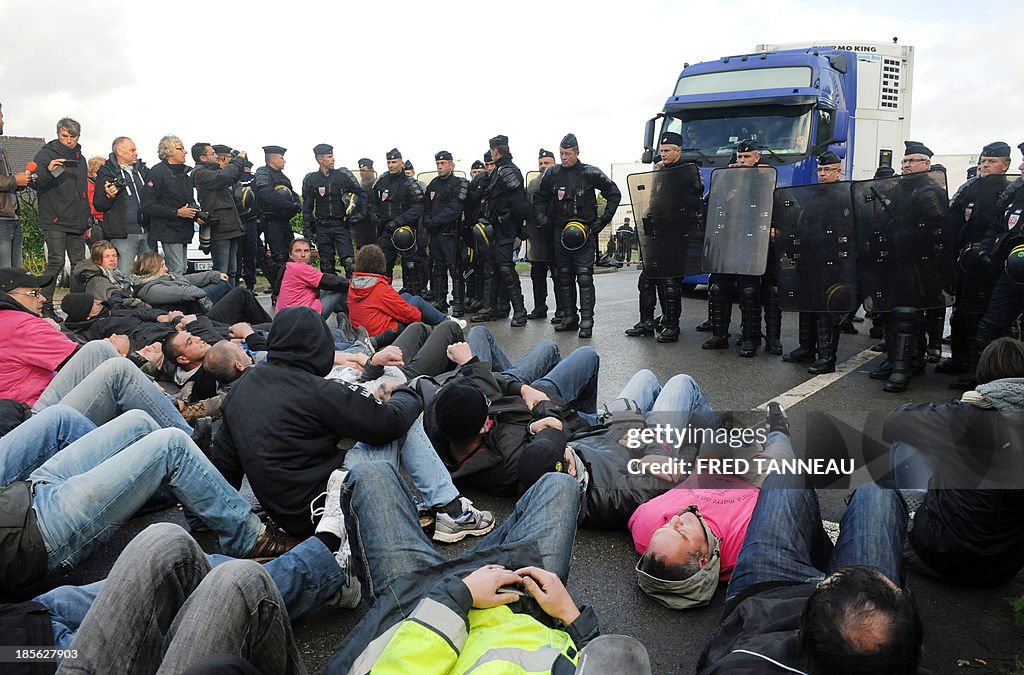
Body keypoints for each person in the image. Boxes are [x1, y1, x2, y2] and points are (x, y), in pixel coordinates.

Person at [212, 306, 492, 542]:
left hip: (289, 516)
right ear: (318, 345)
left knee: (363, 428)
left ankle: (442, 508)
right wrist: (406, 392)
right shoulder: (315, 390)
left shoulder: (240, 389)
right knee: (402, 421)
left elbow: (226, 470)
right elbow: (389, 424)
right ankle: (451, 510)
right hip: (330, 512)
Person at [325, 461, 600, 673]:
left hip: (422, 610)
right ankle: (459, 531)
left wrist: (459, 595)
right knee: (560, 484)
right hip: (522, 600)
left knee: (371, 473)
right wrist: (575, 622)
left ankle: (353, 579)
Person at [0, 410, 300, 598]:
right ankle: (251, 539)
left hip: (25, 493)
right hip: (31, 535)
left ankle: (201, 506)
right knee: (172, 446)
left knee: (138, 421)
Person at [24, 521, 350, 672]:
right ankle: (324, 560)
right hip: (30, 653)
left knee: (165, 544)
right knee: (237, 582)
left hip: (27, 620)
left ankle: (304, 566)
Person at [695, 471, 922, 673]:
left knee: (785, 479)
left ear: (802, 634)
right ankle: (835, 558)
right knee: (877, 492)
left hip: (763, 602)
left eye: (829, 584)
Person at [885, 337, 1024, 587]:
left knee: (908, 441)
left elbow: (894, 422)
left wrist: (953, 409)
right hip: (1002, 572)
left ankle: (911, 516)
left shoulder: (968, 415)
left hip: (937, 556)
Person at [424, 340, 599, 497]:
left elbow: (477, 385)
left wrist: (523, 389)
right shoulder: (509, 460)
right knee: (587, 355)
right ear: (483, 427)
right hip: (556, 411)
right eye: (486, 404)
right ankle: (592, 420)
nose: (488, 401)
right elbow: (555, 430)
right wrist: (538, 413)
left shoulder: (441, 416)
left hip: (528, 396)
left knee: (547, 346)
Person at [867, 140, 948, 393]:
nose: (907, 165)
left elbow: (939, 232)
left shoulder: (929, 191)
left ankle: (904, 367)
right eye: (904, 161)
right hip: (893, 261)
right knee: (890, 313)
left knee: (906, 314)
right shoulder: (898, 189)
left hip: (916, 264)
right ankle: (897, 359)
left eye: (913, 161)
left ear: (926, 164)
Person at [940, 142, 1014, 388]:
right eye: (983, 161)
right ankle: (959, 359)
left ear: (1006, 165)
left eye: (992, 162)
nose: (985, 165)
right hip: (964, 261)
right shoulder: (971, 189)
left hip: (987, 265)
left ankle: (976, 367)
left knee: (978, 317)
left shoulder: (1006, 193)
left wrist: (987, 255)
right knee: (960, 314)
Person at [534, 133, 621, 338]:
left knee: (584, 275)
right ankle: (569, 317)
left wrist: (602, 221)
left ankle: (587, 321)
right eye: (561, 153)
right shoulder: (552, 174)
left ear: (577, 152)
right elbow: (540, 198)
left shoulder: (590, 172)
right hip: (560, 232)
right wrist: (543, 219)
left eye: (568, 153)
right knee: (563, 275)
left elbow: (613, 193)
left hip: (585, 232)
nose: (564, 157)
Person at [702, 139, 774, 357]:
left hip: (750, 244)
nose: (742, 161)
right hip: (726, 243)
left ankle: (751, 338)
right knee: (718, 289)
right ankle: (719, 335)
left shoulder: (763, 180)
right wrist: (727, 181)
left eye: (747, 157)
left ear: (756, 158)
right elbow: (709, 203)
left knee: (749, 292)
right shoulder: (726, 180)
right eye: (740, 157)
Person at [781, 150, 847, 373]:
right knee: (807, 305)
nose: (823, 174)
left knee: (825, 309)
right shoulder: (812, 194)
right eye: (820, 169)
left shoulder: (843, 195)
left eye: (828, 170)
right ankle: (806, 348)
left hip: (830, 261)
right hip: (809, 259)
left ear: (839, 171)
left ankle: (827, 357)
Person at [625, 132, 691, 343]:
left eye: (667, 151)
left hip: (676, 235)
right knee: (646, 279)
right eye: (661, 151)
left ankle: (672, 326)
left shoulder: (687, 171)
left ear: (678, 151)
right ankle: (647, 322)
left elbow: (692, 198)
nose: (663, 154)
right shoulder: (659, 173)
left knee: (669, 282)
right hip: (657, 236)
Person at [33, 117, 91, 322]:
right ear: (58, 134)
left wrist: (87, 220)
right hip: (54, 218)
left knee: (80, 264)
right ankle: (45, 305)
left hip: (76, 219)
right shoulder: (46, 154)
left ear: (78, 137)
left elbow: (83, 192)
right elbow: (34, 182)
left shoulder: (80, 158)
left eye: (72, 137)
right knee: (56, 262)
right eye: (64, 136)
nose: (68, 140)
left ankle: (75, 306)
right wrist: (48, 172)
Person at [475, 134, 530, 327]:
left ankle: (520, 312)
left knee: (506, 269)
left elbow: (519, 202)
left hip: (505, 228)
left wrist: (514, 224)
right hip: (495, 228)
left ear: (495, 151)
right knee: (492, 268)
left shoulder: (508, 171)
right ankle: (493, 308)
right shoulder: (500, 170)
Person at [348, 243, 462, 336]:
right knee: (416, 301)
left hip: (364, 330)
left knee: (406, 296)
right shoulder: (379, 288)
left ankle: (444, 320)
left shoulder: (355, 283)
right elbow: (412, 316)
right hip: (383, 333)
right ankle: (448, 323)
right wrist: (420, 312)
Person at [130, 251, 270, 326]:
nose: (166, 268)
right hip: (200, 319)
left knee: (221, 283)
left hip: (199, 308)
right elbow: (186, 292)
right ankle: (268, 325)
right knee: (241, 294)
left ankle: (250, 324)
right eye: (162, 266)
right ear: (152, 268)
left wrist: (213, 275)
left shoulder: (163, 277)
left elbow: (188, 279)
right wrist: (201, 292)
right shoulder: (151, 289)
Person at [301, 143, 367, 279]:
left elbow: (361, 194)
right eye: (329, 157)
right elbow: (307, 208)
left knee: (350, 263)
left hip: (341, 226)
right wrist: (307, 231)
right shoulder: (311, 179)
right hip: (322, 228)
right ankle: (328, 296)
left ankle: (353, 295)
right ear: (320, 159)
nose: (333, 159)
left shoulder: (342, 175)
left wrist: (360, 214)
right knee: (326, 266)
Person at [370, 148, 425, 294]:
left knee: (411, 266)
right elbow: (373, 202)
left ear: (401, 162)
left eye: (394, 162)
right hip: (385, 230)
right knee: (382, 266)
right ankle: (383, 297)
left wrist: (398, 221)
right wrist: (374, 214)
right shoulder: (381, 181)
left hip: (405, 231)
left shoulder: (410, 183)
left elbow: (418, 207)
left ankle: (413, 297)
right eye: (389, 162)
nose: (391, 165)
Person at [92, 136, 151, 274]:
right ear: (120, 151)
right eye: (132, 150)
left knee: (151, 275)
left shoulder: (143, 170)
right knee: (123, 275)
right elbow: (99, 204)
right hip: (123, 234)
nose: (136, 153)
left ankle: (147, 296)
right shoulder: (106, 172)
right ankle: (122, 296)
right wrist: (109, 196)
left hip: (148, 231)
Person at [140, 134, 197, 276]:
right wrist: (176, 212)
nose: (185, 152)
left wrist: (197, 214)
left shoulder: (185, 174)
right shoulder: (157, 173)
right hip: (169, 230)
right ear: (169, 151)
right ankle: (176, 297)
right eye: (181, 148)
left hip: (184, 229)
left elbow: (189, 201)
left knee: (182, 269)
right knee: (176, 270)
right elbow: (148, 205)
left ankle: (182, 296)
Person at [192, 142, 248, 281]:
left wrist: (239, 165)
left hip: (230, 226)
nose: (216, 157)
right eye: (212, 154)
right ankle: (221, 301)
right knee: (221, 272)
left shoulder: (212, 171)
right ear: (202, 158)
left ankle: (234, 300)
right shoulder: (201, 173)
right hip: (220, 227)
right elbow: (224, 177)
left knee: (232, 270)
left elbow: (232, 176)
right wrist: (238, 160)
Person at [422, 150, 469, 316]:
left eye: (443, 164)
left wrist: (434, 222)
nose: (440, 167)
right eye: (438, 164)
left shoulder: (458, 184)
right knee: (437, 268)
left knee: (455, 269)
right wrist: (427, 220)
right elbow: (426, 205)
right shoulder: (433, 184)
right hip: (435, 234)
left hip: (450, 234)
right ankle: (440, 300)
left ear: (451, 165)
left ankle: (458, 303)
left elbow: (455, 209)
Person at [274, 236, 350, 318]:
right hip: (305, 319)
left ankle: (345, 316)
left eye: (306, 251)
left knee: (328, 289)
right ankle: (353, 318)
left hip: (283, 318)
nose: (303, 255)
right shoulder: (300, 268)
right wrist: (354, 282)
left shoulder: (287, 266)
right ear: (290, 254)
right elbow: (330, 281)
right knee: (341, 288)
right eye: (298, 251)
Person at [253, 145, 301, 264]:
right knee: (278, 255)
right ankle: (279, 281)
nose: (284, 161)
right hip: (270, 220)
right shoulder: (263, 172)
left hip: (284, 220)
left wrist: (296, 205)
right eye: (281, 158)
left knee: (291, 253)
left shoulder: (283, 177)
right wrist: (288, 205)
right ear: (273, 159)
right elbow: (266, 193)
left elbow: (292, 194)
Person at [527, 147, 559, 321]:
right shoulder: (533, 184)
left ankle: (562, 310)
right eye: (540, 163)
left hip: (555, 234)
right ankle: (540, 307)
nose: (543, 166)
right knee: (537, 274)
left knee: (558, 274)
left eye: (547, 162)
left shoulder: (560, 179)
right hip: (537, 237)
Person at [70, 239, 148, 309]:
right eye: (107, 256)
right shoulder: (96, 279)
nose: (112, 259)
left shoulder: (115, 274)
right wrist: (145, 306)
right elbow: (116, 299)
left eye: (114, 256)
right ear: (97, 259)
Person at [0, 102, 29, 269]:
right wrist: (14, 180)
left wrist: (22, 182)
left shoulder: (2, 148)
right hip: (2, 220)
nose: (3, 120)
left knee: (16, 273)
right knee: (4, 274)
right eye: (1, 116)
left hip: (12, 217)